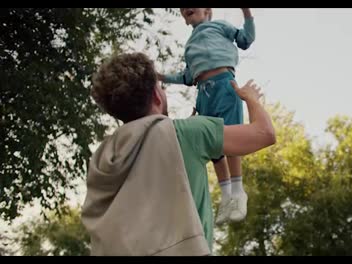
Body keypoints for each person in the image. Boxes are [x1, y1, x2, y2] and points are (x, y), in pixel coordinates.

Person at [81, 52, 275, 255]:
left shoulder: (103, 157)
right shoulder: (187, 133)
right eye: (161, 87)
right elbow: (264, 133)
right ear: (156, 96)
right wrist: (251, 99)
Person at [157, 8, 255, 225]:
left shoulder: (220, 26)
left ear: (207, 11)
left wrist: (247, 13)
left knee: (229, 138)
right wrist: (162, 76)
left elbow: (246, 39)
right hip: (204, 93)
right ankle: (226, 195)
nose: (186, 9)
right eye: (182, 10)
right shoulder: (190, 46)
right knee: (213, 146)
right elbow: (187, 76)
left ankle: (238, 192)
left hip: (224, 86)